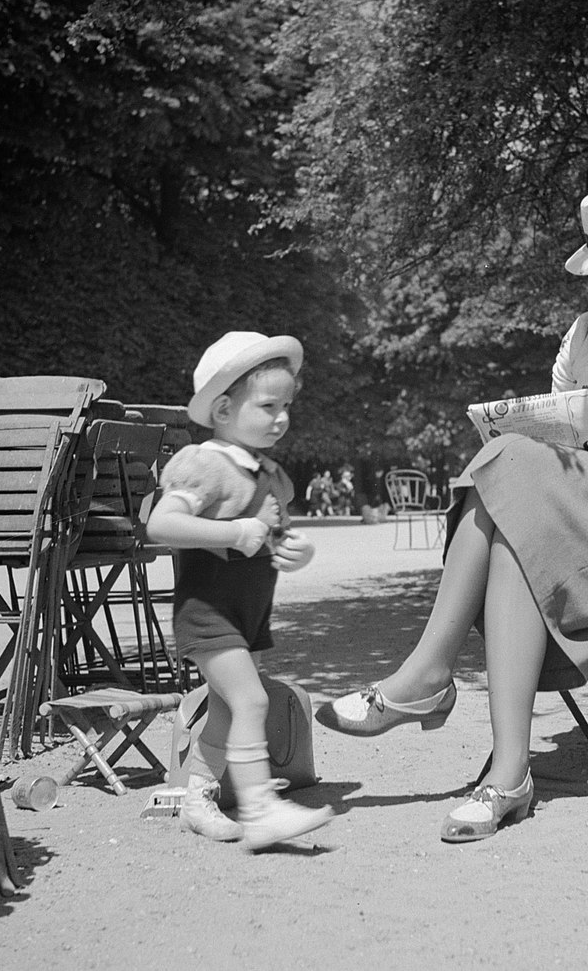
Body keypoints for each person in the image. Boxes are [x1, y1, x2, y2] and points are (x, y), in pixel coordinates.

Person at [317, 177, 588, 843]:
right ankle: (508, 776)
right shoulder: (582, 333)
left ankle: (429, 675)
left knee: (505, 469)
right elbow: (558, 430)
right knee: (510, 477)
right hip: (577, 500)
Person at [147, 331, 332, 849]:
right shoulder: (204, 464)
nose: (281, 417)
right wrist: (233, 532)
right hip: (208, 612)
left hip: (245, 614)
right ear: (224, 409)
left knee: (229, 710)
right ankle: (260, 809)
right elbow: (161, 525)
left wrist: (294, 552)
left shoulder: (272, 474)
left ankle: (197, 796)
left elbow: (272, 542)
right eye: (268, 405)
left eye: (286, 405)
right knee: (251, 701)